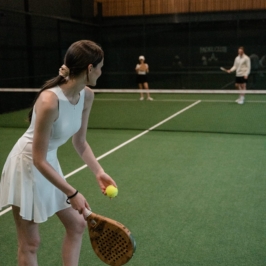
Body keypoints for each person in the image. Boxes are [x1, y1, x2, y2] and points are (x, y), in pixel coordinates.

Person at [0, 40, 117, 266]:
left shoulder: (87, 95)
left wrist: (99, 172)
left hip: (48, 161)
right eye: (101, 67)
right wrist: (73, 194)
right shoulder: (49, 101)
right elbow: (37, 159)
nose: (102, 72)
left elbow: (80, 142)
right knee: (30, 243)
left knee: (77, 224)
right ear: (90, 69)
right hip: (27, 165)